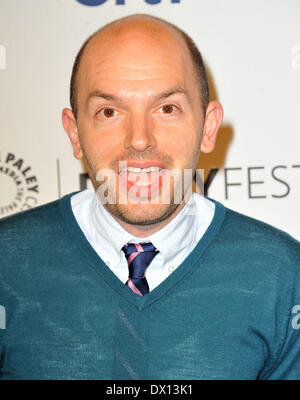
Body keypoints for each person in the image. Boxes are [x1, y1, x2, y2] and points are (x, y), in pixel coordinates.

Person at [0, 13, 300, 380]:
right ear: (75, 132)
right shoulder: (5, 261)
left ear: (208, 128)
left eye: (167, 109)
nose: (139, 139)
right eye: (109, 112)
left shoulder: (283, 274)